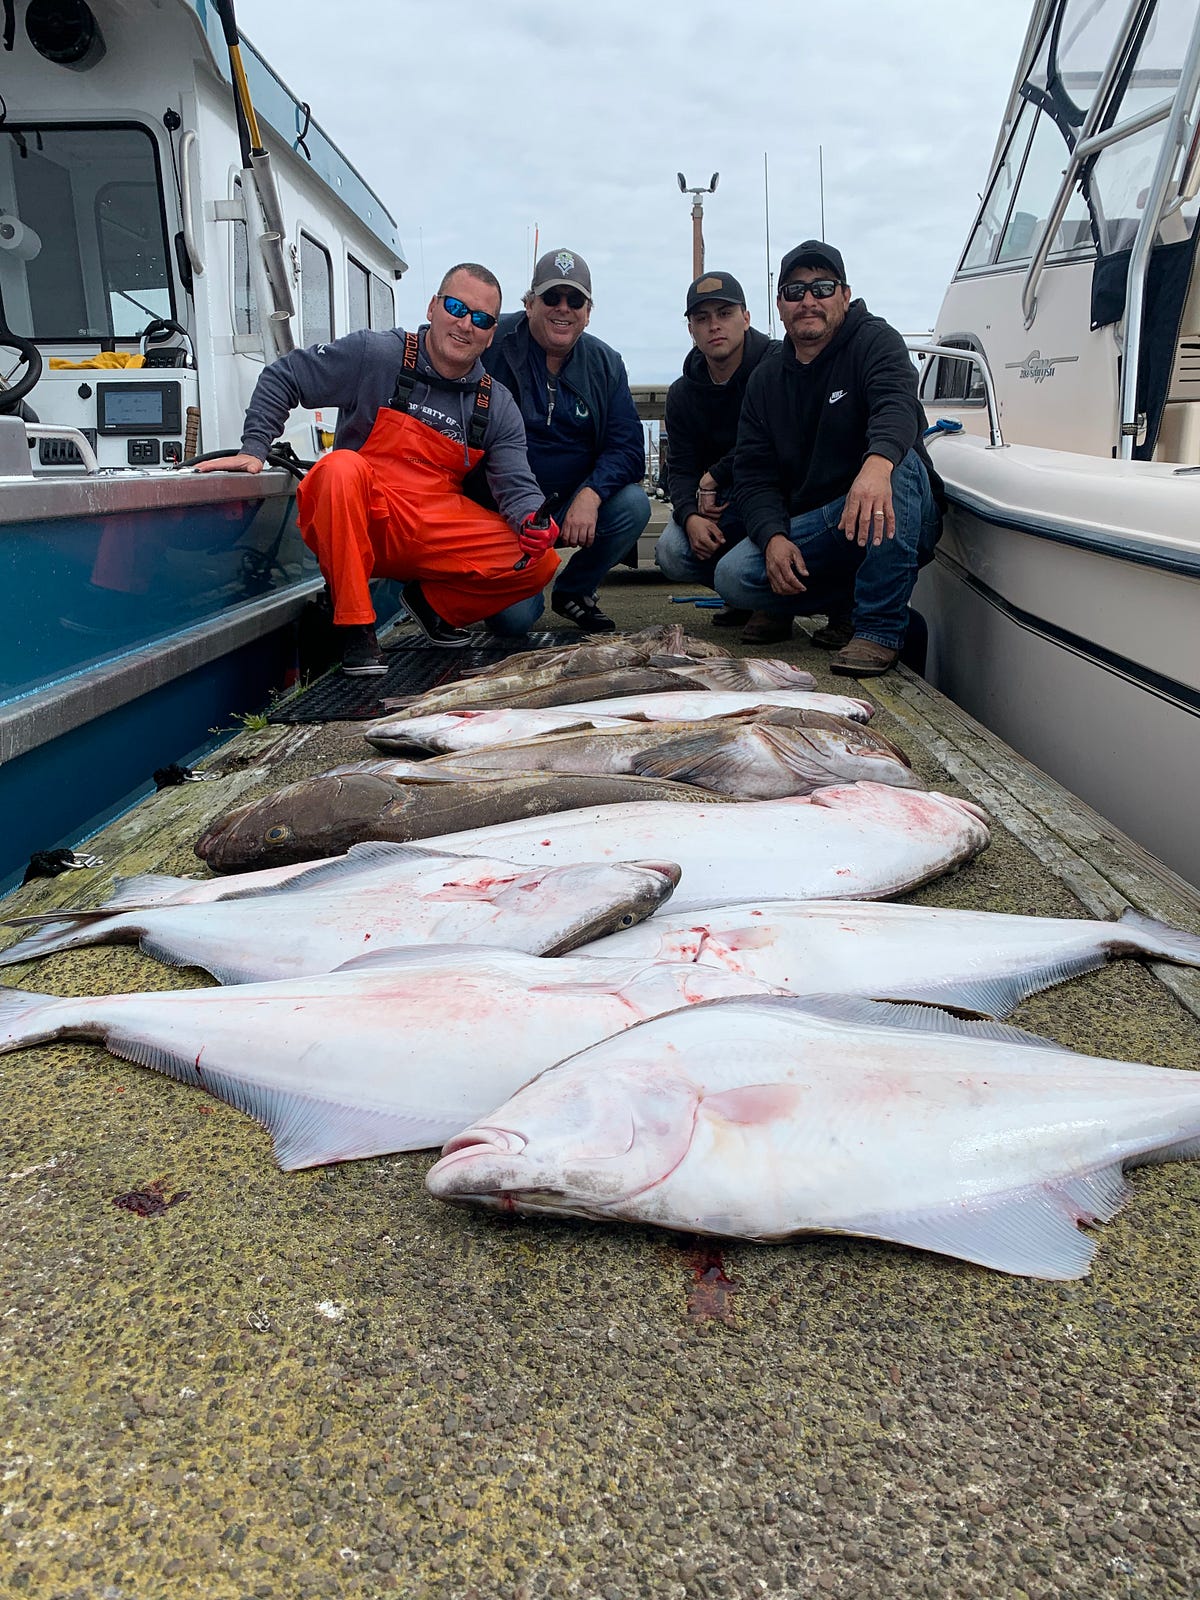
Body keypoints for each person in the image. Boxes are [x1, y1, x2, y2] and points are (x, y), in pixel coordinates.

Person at [195, 263, 559, 673]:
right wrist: (255, 448)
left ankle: (434, 607)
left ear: (491, 333)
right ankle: (355, 627)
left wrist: (532, 519)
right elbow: (286, 375)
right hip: (364, 519)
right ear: (432, 307)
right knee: (338, 468)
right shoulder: (377, 354)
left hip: (432, 525)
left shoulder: (496, 403)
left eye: (480, 318)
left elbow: (515, 481)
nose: (464, 324)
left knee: (540, 562)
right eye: (456, 307)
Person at [716, 240, 942, 674]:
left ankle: (878, 628)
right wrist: (773, 537)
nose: (808, 300)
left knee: (897, 469)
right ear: (779, 306)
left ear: (845, 295)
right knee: (734, 575)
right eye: (795, 291)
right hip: (825, 522)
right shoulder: (766, 379)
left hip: (895, 508)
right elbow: (753, 473)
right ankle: (846, 601)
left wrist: (877, 464)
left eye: (821, 287)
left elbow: (897, 404)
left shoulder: (875, 340)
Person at [481, 249, 650, 635]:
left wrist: (590, 495)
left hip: (568, 502)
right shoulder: (491, 345)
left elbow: (627, 448)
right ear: (528, 304)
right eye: (551, 298)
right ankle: (492, 582)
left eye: (575, 300)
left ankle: (575, 590)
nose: (563, 308)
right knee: (514, 621)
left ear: (588, 311)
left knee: (633, 505)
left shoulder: (607, 363)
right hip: (502, 512)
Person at [653, 270, 776, 635]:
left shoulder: (776, 366)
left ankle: (774, 603)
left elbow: (771, 442)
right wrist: (690, 517)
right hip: (726, 505)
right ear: (690, 329)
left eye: (724, 313)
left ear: (746, 317)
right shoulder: (682, 394)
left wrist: (716, 474)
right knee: (671, 552)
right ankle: (742, 596)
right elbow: (680, 468)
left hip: (779, 495)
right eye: (702, 318)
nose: (714, 326)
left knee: (735, 570)